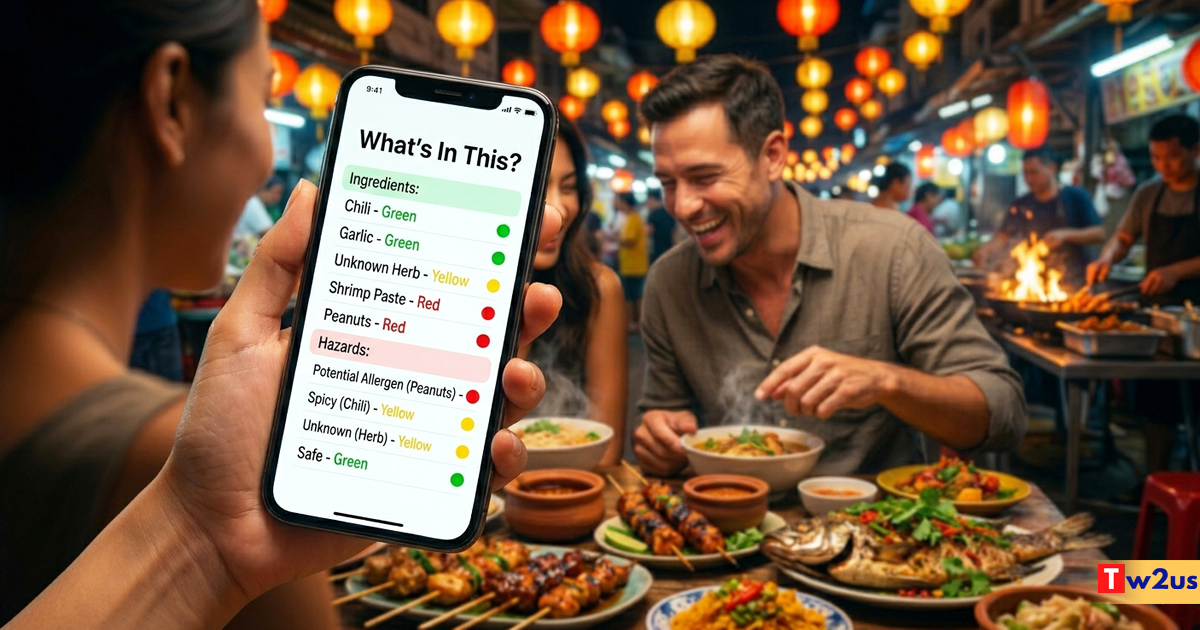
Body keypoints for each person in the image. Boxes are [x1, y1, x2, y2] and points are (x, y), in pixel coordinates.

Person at [0, 0, 562, 624]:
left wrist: (198, 534)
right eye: (262, 93)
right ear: (173, 102)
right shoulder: (151, 452)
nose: (269, 155)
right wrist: (203, 539)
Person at [630, 55, 1026, 476]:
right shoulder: (670, 282)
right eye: (668, 183)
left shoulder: (891, 248)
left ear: (773, 156)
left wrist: (886, 382)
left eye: (705, 177)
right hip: (733, 524)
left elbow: (1003, 413)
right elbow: (665, 417)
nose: (684, 206)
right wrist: (661, 441)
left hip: (877, 528)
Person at [1087, 113, 1200, 472]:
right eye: (1155, 157)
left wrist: (1176, 270)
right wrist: (1105, 259)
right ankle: (1154, 482)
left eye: (1172, 157)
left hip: (1196, 319)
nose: (1162, 165)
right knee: (1157, 406)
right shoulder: (1149, 193)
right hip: (1159, 320)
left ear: (1196, 150)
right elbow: (1122, 239)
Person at [526, 118, 627, 465]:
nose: (557, 208)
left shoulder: (598, 288)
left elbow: (606, 448)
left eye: (567, 187)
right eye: (536, 184)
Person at [974, 147, 1104, 286]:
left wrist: (1065, 235)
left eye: (1034, 172)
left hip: (1075, 280)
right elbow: (1003, 237)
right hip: (1035, 283)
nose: (1029, 179)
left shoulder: (1076, 196)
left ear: (1052, 168)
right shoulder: (1021, 204)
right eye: (1025, 173)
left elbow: (1099, 233)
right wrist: (986, 249)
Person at [616, 192, 650, 333]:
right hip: (633, 263)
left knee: (632, 296)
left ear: (625, 203)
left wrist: (615, 237)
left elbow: (629, 240)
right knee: (635, 295)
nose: (617, 204)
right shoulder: (634, 218)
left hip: (633, 265)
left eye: (619, 202)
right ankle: (637, 323)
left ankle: (634, 323)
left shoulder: (633, 219)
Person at [234, 175, 284, 239]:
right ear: (263, 189)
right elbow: (269, 234)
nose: (277, 197)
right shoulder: (253, 203)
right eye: (275, 192)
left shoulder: (270, 207)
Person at [646, 189, 678, 263]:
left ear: (652, 199)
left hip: (657, 249)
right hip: (670, 249)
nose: (647, 204)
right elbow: (674, 232)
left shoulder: (653, 214)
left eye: (648, 201)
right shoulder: (669, 211)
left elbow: (648, 232)